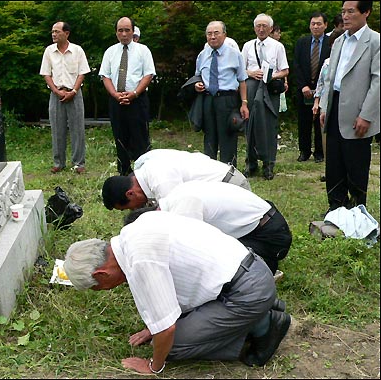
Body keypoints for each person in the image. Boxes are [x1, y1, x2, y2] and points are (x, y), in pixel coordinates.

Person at [63, 211, 292, 373]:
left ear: (101, 275)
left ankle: (262, 326)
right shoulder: (134, 230)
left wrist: (154, 365)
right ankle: (260, 310)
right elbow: (173, 289)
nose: (102, 290)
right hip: (253, 272)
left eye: (97, 288)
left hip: (245, 292)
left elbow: (167, 329)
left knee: (172, 346)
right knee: (166, 336)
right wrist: (153, 326)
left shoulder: (139, 258)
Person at [124, 180, 292, 276]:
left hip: (270, 235)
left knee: (226, 273)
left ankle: (267, 266)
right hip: (261, 223)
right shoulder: (173, 197)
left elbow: (193, 255)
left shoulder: (184, 208)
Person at [319, 1, 379, 213]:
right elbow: (330, 78)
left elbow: (378, 81)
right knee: (334, 161)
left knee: (355, 163)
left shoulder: (375, 41)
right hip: (335, 105)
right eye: (343, 11)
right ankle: (336, 207)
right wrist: (325, 105)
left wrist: (367, 115)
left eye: (351, 11)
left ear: (366, 12)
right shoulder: (338, 42)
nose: (345, 16)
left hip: (358, 112)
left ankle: (357, 209)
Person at [101, 148, 251, 211]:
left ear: (130, 194)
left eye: (129, 208)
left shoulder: (159, 179)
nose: (134, 210)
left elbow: (177, 220)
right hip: (217, 190)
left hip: (231, 186)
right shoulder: (146, 173)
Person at [99, 17, 156, 176]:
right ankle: (124, 172)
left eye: (127, 30)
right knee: (120, 137)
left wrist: (135, 93)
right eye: (120, 30)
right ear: (116, 32)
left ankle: (143, 174)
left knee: (140, 138)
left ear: (133, 31)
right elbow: (105, 76)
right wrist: (115, 94)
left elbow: (148, 74)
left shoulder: (143, 50)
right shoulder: (110, 51)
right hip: (116, 101)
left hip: (137, 100)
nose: (124, 34)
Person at [193, 21, 249, 168]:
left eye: (216, 33)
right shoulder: (202, 55)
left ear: (224, 35)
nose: (212, 37)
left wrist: (244, 103)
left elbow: (242, 80)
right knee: (209, 138)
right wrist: (197, 85)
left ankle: (229, 172)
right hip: (208, 99)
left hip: (227, 100)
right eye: (209, 34)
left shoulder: (234, 54)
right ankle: (210, 172)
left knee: (228, 138)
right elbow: (197, 76)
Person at [241, 13, 289, 180]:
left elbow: (285, 70)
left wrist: (272, 76)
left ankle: (268, 164)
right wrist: (251, 73)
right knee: (250, 125)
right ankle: (250, 163)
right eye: (258, 26)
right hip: (251, 86)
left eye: (264, 26)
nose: (261, 29)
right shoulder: (247, 46)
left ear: (270, 28)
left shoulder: (277, 46)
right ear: (254, 28)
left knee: (269, 126)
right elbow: (241, 69)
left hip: (270, 89)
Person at [39, 21, 90, 174]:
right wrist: (56, 91)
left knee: (77, 129)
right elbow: (46, 74)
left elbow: (82, 73)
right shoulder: (49, 51)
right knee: (57, 129)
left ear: (66, 33)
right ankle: (58, 162)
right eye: (52, 32)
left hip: (74, 94)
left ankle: (78, 163)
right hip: (56, 94)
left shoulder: (77, 50)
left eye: (57, 31)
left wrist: (73, 91)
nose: (54, 34)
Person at [294, 12, 330, 163]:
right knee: (304, 122)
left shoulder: (331, 42)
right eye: (313, 24)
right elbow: (296, 65)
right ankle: (304, 151)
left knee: (320, 123)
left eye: (319, 24)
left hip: (323, 89)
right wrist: (303, 86)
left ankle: (320, 152)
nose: (315, 26)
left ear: (325, 25)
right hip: (304, 90)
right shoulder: (302, 42)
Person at [312, 29, 343, 182]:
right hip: (325, 103)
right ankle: (328, 169)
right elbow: (321, 84)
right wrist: (316, 102)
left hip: (342, 103)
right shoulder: (327, 62)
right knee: (325, 138)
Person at [269, 24, 288, 113]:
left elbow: (283, 67)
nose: (279, 35)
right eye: (278, 32)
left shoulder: (279, 46)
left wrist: (285, 81)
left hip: (278, 79)